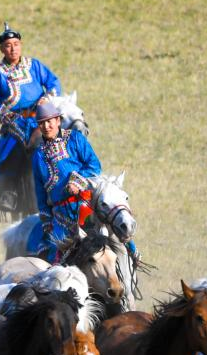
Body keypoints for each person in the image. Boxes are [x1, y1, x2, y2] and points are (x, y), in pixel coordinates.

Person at [32, 98, 138, 265]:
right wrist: (47, 220)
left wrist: (77, 181)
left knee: (107, 226)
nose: (46, 127)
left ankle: (130, 249)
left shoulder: (75, 139)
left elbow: (94, 164)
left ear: (58, 121)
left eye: (49, 122)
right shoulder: (38, 155)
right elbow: (39, 191)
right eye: (41, 123)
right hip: (60, 214)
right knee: (54, 254)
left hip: (85, 203)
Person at [0, 23, 61, 215]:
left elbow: (53, 81)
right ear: (2, 49)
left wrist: (47, 97)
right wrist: (4, 114)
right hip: (15, 122)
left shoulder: (34, 65)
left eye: (16, 44)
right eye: (8, 45)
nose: (13, 48)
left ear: (21, 45)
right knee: (11, 152)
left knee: (62, 139)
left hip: (40, 117)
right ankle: (8, 194)